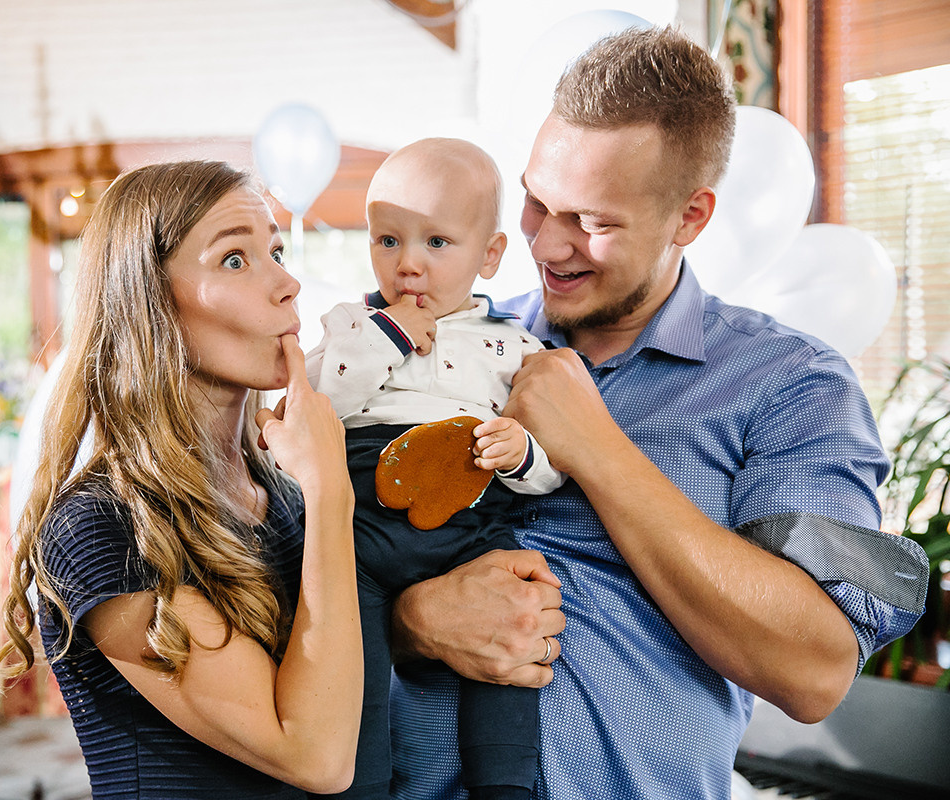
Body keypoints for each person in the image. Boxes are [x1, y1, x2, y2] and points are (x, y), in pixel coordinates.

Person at [385, 26, 930, 800]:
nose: (547, 245)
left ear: (690, 218)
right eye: (539, 202)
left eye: (595, 222)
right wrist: (411, 619)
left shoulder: (793, 385)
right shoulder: (449, 342)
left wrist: (598, 450)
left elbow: (815, 671)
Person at [0, 160, 363, 799]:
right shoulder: (97, 529)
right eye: (235, 260)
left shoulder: (275, 489)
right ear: (151, 303)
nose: (288, 284)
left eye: (274, 250)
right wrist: (333, 495)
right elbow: (315, 756)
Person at [305, 138, 564, 800]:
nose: (409, 264)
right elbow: (316, 404)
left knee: (516, 601)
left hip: (469, 521)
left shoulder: (514, 346)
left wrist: (521, 452)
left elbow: (553, 470)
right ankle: (355, 782)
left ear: (490, 255)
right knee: (346, 656)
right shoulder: (350, 326)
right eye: (387, 241)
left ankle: (506, 781)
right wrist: (386, 334)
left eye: (437, 244)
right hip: (361, 527)